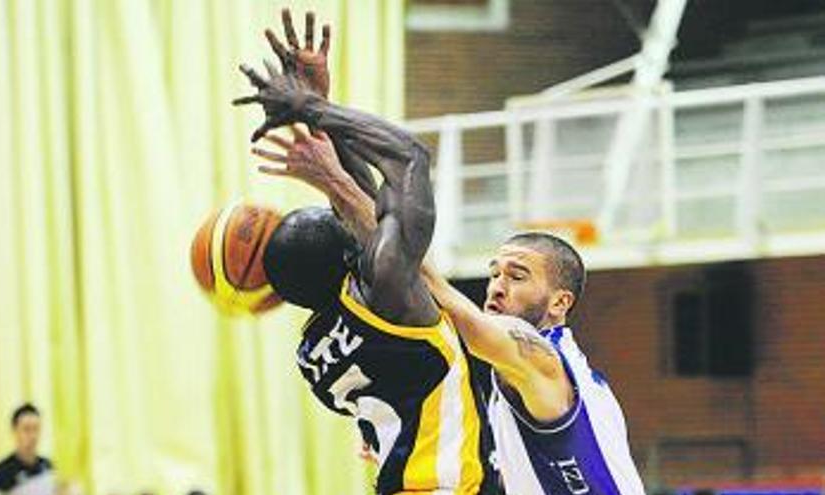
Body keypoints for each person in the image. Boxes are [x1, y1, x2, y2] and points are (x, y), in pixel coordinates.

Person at [248, 66, 646, 495]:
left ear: (559, 303)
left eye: (517, 276)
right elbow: (389, 255)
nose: (496, 285)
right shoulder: (506, 377)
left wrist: (328, 151)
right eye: (494, 273)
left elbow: (409, 269)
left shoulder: (539, 359)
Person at [233, 11, 500, 495]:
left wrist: (319, 104)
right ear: (350, 256)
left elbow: (370, 225)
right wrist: (309, 109)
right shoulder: (392, 287)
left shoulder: (312, 352)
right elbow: (408, 158)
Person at [0, 404, 55, 495]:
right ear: (14, 431)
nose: (33, 436)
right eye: (27, 429)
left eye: (36, 429)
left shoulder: (48, 467)